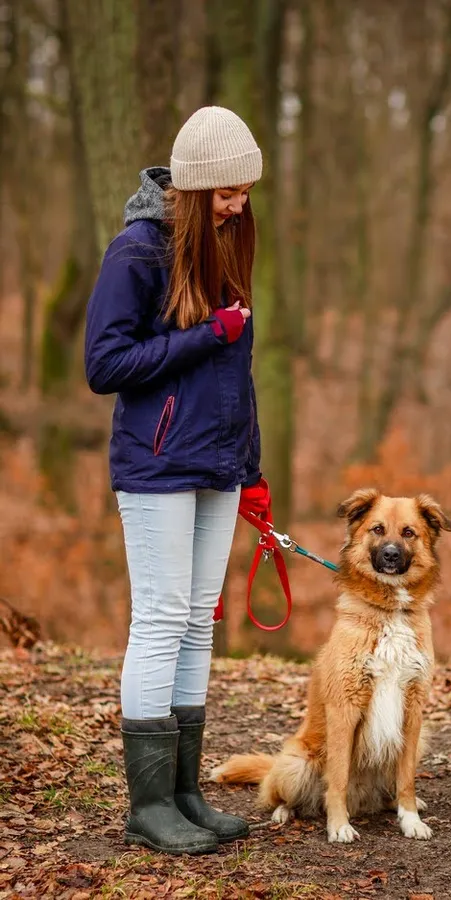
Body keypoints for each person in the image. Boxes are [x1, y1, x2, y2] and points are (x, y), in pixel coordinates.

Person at [84, 106, 271, 855]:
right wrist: (205, 335)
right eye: (227, 192)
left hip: (217, 464)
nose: (239, 204)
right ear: (193, 189)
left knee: (199, 618)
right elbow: (106, 366)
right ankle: (148, 804)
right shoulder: (135, 253)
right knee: (161, 618)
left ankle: (187, 792)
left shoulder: (222, 247)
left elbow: (237, 379)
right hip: (157, 465)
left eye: (246, 190)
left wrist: (250, 471)